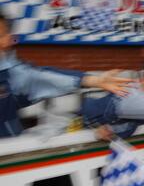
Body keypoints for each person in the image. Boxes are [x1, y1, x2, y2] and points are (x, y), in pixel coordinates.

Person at [0, 13, 133, 138]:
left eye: (6, 34)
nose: (9, 41)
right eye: (2, 35)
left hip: (12, 150)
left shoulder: (11, 72)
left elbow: (41, 76)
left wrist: (94, 80)